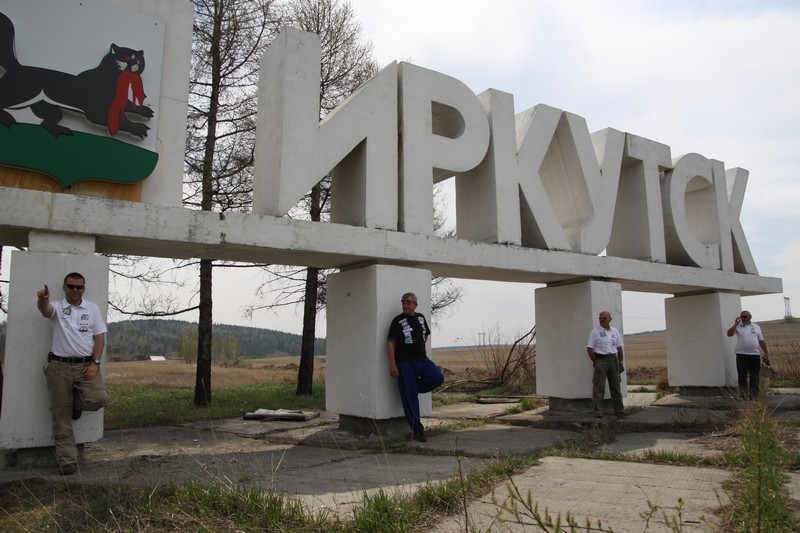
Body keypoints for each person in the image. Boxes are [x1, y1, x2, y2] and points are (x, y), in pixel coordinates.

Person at [37, 272, 107, 475]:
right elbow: (45, 311)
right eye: (71, 286)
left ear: (84, 289)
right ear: (64, 287)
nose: (75, 290)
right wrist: (42, 300)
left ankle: (75, 403)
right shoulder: (57, 307)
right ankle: (67, 461)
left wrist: (95, 363)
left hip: (85, 365)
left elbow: (99, 338)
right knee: (60, 416)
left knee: (98, 399)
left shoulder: (92, 308)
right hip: (59, 366)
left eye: (79, 287)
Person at [387, 292, 444, 442]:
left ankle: (410, 389)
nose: (405, 305)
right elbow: (390, 343)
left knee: (437, 377)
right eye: (403, 302)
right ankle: (417, 430)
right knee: (411, 398)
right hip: (405, 363)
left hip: (422, 360)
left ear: (415, 305)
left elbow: (425, 335)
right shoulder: (397, 321)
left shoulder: (421, 318)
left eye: (408, 302)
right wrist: (393, 365)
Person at [586, 311, 625, 419]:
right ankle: (598, 411)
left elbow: (619, 348)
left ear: (610, 319)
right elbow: (589, 349)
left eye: (604, 318)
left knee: (616, 387)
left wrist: (621, 363)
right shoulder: (595, 332)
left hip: (613, 360)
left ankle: (620, 411)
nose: (602, 320)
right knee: (599, 387)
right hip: (601, 360)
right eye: (600, 318)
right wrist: (596, 361)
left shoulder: (615, 331)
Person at [727, 310, 770, 399]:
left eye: (745, 317)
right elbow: (729, 334)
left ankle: (754, 395)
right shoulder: (738, 326)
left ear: (750, 317)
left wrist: (766, 352)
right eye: (741, 317)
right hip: (741, 355)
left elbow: (761, 340)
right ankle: (743, 395)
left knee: (754, 375)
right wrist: (735, 324)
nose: (743, 319)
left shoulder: (756, 327)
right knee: (742, 375)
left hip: (754, 354)